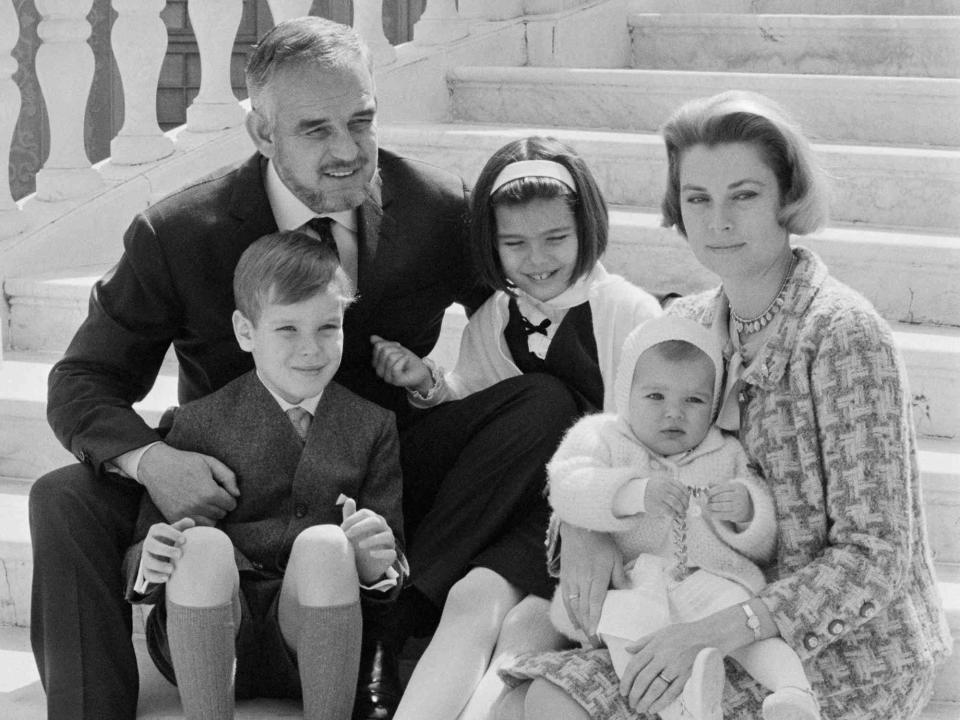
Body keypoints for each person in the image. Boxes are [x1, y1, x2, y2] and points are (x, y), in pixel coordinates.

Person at [26, 15, 548, 720]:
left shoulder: (438, 211)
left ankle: (398, 622)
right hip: (226, 488)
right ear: (262, 134)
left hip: (376, 480)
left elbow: (537, 309)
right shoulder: (178, 234)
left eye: (360, 121)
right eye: (315, 130)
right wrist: (155, 464)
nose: (348, 150)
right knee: (63, 496)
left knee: (547, 406)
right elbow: (82, 381)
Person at [496, 91, 952, 720]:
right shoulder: (679, 325)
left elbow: (875, 558)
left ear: (787, 197)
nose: (718, 222)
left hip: (834, 647)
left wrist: (719, 629)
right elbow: (611, 454)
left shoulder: (843, 335)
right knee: (519, 701)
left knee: (551, 706)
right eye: (697, 199)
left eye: (743, 195)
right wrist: (582, 530)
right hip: (685, 604)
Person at [370, 136, 662, 720]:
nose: (537, 259)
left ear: (587, 229)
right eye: (515, 243)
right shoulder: (495, 318)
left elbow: (649, 444)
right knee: (470, 598)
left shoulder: (625, 312)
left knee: (527, 625)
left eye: (556, 238)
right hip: (520, 508)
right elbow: (478, 405)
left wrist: (592, 523)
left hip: (595, 517)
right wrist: (426, 383)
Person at [124, 231, 407, 720]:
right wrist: (151, 558)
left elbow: (391, 557)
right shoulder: (199, 421)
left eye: (327, 328)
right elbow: (144, 544)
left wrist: (374, 562)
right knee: (199, 543)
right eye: (287, 330)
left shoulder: (372, 425)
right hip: (206, 631)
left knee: (326, 543)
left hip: (312, 640)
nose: (311, 350)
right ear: (245, 331)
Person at [503, 314, 819, 720]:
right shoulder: (602, 436)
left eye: (694, 400)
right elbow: (567, 485)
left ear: (714, 404)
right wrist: (633, 493)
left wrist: (745, 512)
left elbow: (763, 543)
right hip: (632, 583)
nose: (675, 414)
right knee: (627, 629)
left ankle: (793, 694)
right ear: (625, 393)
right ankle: (684, 707)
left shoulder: (724, 453)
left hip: (707, 579)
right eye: (656, 397)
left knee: (740, 615)